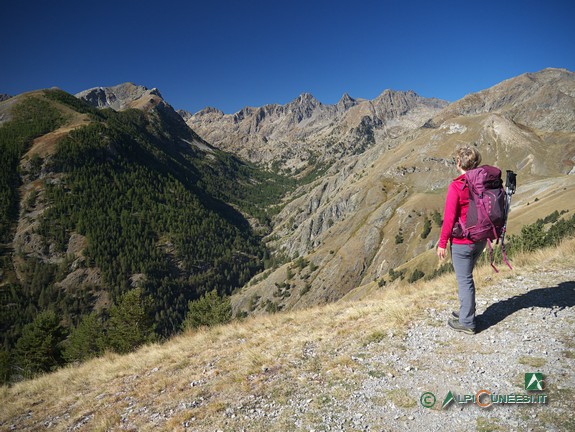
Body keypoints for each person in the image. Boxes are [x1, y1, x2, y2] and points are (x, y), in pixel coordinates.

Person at [437, 145, 486, 334]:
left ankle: (467, 322)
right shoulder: (483, 182)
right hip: (480, 239)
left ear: (459, 162)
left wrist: (442, 243)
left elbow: (449, 218)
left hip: (463, 243)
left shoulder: (457, 186)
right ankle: (466, 311)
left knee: (464, 280)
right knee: (466, 278)